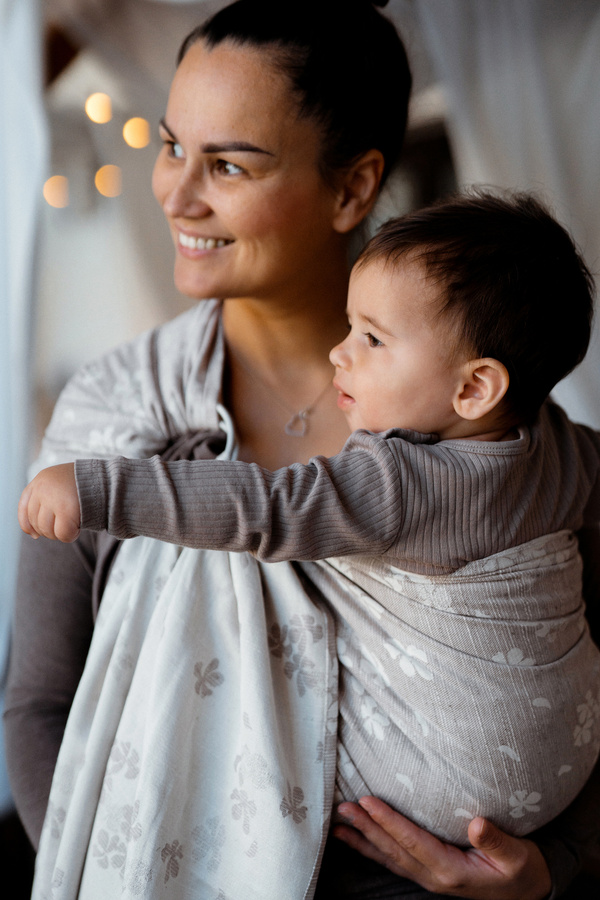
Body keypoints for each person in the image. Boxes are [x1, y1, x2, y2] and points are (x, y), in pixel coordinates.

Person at [5, 2, 599, 897]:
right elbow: (39, 703)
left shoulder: (503, 436)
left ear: (353, 188)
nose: (174, 192)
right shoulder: (120, 413)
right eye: (171, 146)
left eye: (229, 164)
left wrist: (555, 868)